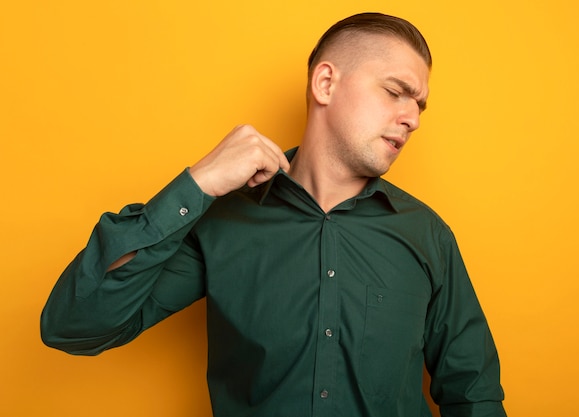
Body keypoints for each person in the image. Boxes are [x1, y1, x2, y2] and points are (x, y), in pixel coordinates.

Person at [41, 12, 507, 417]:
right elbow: (75, 326)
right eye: (396, 92)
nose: (414, 118)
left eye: (419, 104)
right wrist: (196, 185)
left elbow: (474, 394)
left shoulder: (427, 234)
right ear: (325, 83)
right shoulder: (223, 221)